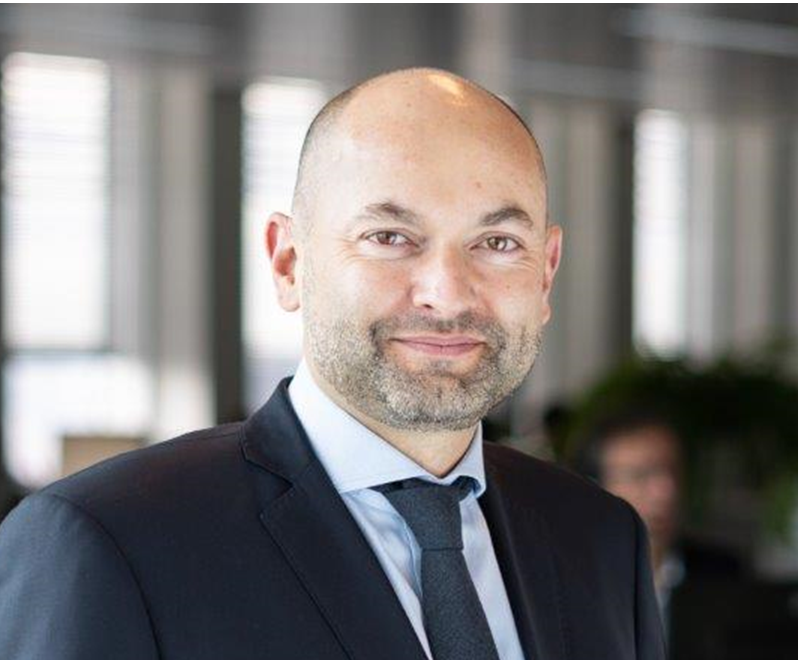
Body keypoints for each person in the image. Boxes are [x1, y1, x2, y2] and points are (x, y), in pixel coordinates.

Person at [0, 68, 665, 660]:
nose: (447, 294)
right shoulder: (112, 542)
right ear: (288, 262)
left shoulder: (601, 539)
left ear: (545, 273)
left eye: (497, 242)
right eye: (390, 237)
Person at [576, 409, 743, 637]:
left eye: (673, 470)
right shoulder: (573, 584)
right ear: (596, 488)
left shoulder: (724, 576)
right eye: (640, 475)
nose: (666, 492)